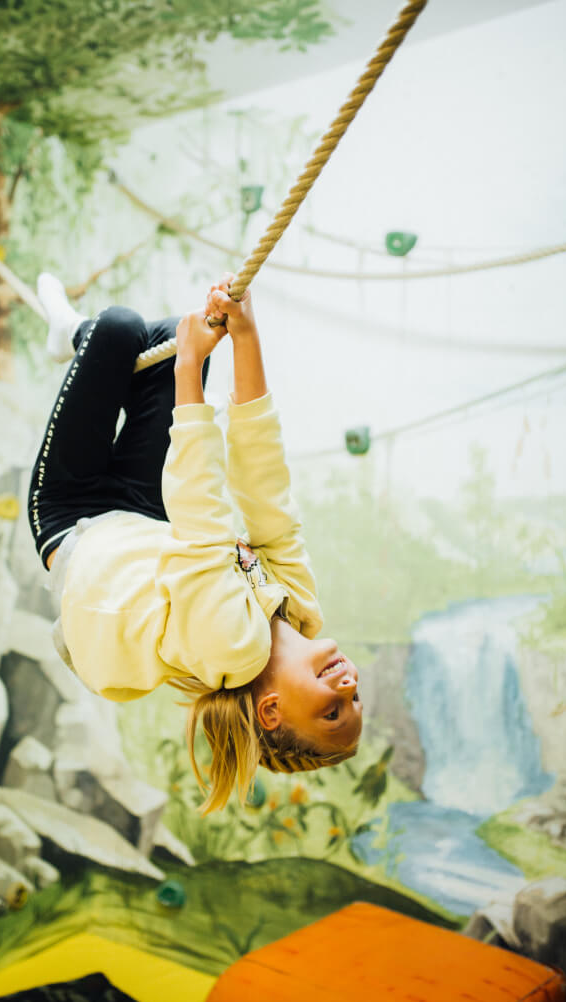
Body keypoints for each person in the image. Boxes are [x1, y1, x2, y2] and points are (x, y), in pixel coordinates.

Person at [29, 271, 363, 813]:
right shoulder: (299, 609)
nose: (348, 687)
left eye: (333, 711)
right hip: (145, 516)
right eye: (356, 700)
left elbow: (205, 525)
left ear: (271, 712)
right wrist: (246, 339)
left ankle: (71, 332)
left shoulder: (230, 649)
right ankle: (92, 342)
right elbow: (266, 492)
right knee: (166, 337)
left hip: (76, 519)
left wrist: (191, 370)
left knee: (119, 331)